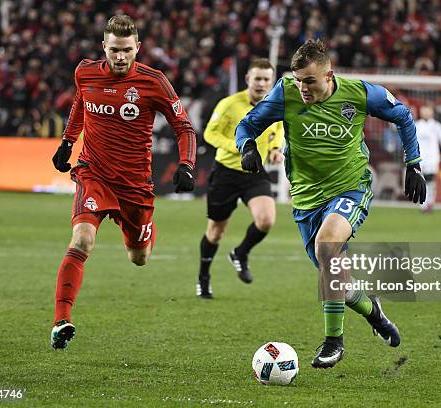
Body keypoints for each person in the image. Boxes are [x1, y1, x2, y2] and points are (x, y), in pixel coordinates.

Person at [236, 39, 426, 368]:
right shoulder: (286, 92)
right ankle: (374, 312)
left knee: (328, 249)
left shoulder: (359, 93)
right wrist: (247, 147)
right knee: (337, 280)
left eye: (309, 81)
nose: (303, 88)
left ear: (329, 75)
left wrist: (414, 164)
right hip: (307, 198)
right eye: (298, 80)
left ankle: (333, 343)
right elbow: (247, 125)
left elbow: (404, 116)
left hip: (350, 186)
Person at [50, 15, 196, 349]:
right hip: (94, 174)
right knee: (82, 240)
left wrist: (186, 164)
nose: (120, 57)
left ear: (138, 48)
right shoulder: (85, 72)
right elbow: (80, 103)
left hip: (134, 185)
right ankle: (61, 321)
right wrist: (68, 142)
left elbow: (183, 127)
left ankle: (145, 229)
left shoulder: (154, 81)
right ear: (104, 47)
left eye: (127, 51)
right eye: (114, 50)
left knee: (139, 257)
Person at [197, 58, 284, 298]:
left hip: (254, 174)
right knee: (215, 231)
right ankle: (203, 278)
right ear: (248, 80)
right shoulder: (229, 105)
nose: (261, 83)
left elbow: (277, 130)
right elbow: (209, 133)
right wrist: (240, 147)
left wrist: (276, 149)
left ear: (271, 81)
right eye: (257, 78)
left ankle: (241, 253)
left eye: (266, 79)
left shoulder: (275, 106)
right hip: (225, 173)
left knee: (266, 220)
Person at [415, 105, 441, 212]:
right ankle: (423, 204)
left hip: (432, 157)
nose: (426, 114)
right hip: (419, 157)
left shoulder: (436, 126)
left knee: (430, 180)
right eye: (424, 111)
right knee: (420, 180)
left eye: (428, 111)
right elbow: (410, 141)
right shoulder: (417, 125)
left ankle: (430, 202)